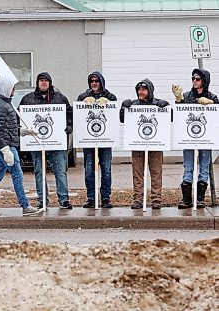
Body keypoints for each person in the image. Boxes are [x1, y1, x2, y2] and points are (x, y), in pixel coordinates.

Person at [0, 76, 40, 216]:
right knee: (17, 175)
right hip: (5, 146)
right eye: (12, 87)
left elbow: (8, 128)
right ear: (6, 88)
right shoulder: (1, 105)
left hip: (5, 145)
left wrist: (24, 132)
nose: (14, 90)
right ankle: (25, 206)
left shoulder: (6, 104)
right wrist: (5, 150)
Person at [19, 72, 73, 209]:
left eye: (46, 80)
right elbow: (19, 117)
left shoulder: (60, 99)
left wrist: (69, 126)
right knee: (39, 171)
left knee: (60, 171)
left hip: (57, 143)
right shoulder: (27, 99)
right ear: (37, 83)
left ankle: (64, 199)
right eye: (41, 80)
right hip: (37, 143)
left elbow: (70, 115)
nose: (43, 83)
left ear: (50, 82)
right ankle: (42, 199)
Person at [120, 78, 170, 209]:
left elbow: (169, 119)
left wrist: (167, 107)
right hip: (137, 144)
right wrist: (123, 108)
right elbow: (122, 119)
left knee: (156, 172)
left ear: (150, 90)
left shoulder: (158, 104)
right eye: (139, 89)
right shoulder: (133, 105)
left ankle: (156, 199)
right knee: (137, 173)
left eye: (144, 89)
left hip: (155, 143)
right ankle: (138, 199)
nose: (141, 92)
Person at [172, 68, 218, 208]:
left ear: (204, 81)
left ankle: (200, 199)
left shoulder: (212, 96)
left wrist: (212, 104)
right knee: (188, 168)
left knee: (204, 168)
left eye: (197, 79)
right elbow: (179, 115)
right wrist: (178, 100)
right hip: (189, 138)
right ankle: (186, 199)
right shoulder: (186, 96)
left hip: (205, 138)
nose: (194, 81)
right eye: (193, 78)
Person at [77, 71, 117, 209]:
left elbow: (116, 114)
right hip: (89, 141)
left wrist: (110, 102)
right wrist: (82, 103)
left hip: (105, 141)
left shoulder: (110, 96)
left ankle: (105, 198)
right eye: (92, 81)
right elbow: (77, 115)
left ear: (101, 82)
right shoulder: (83, 97)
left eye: (96, 81)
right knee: (89, 170)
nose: (94, 83)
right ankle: (91, 198)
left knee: (106, 170)